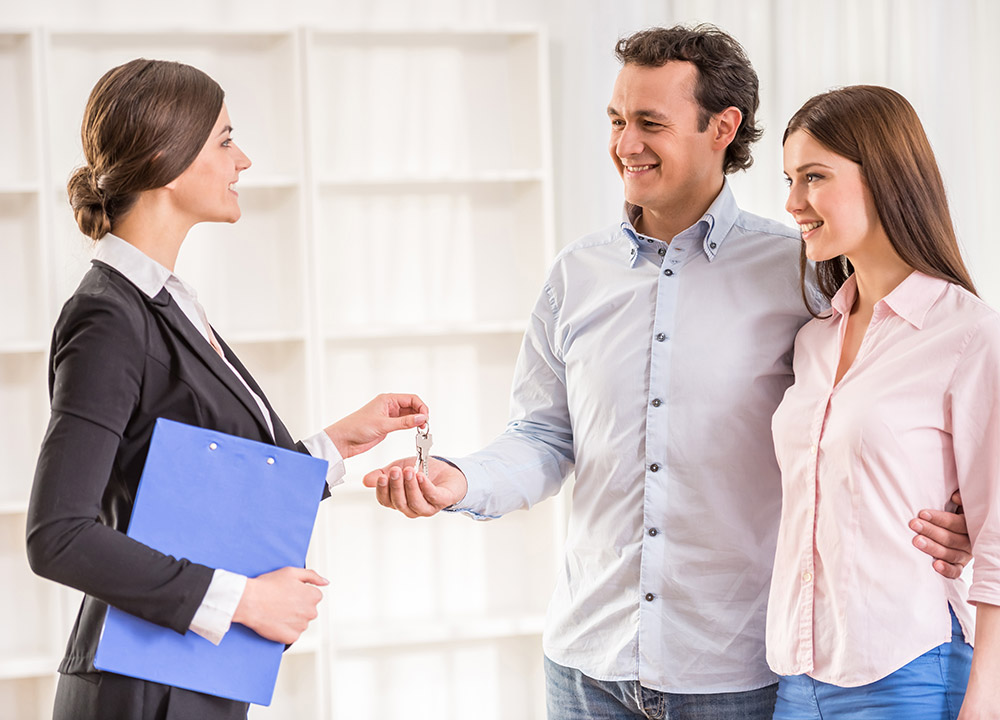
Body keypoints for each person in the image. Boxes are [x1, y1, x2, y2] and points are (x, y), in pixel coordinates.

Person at [363, 26, 970, 720]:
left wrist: (952, 516)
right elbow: (542, 437)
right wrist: (460, 480)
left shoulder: (803, 274)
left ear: (723, 128)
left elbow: (880, 402)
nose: (626, 144)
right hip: (587, 667)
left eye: (651, 123)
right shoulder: (576, 275)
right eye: (618, 121)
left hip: (735, 672)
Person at [25, 58, 428, 720]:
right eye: (224, 139)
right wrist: (246, 601)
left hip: (186, 677)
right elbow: (59, 534)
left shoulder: (163, 302)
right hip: (143, 690)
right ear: (166, 155)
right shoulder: (110, 316)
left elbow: (199, 486)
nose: (243, 159)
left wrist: (337, 444)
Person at [768, 85, 1000, 719]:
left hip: (907, 673)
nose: (793, 203)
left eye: (814, 178)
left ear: (886, 178)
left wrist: (987, 699)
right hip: (798, 677)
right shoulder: (814, 340)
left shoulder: (968, 334)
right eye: (789, 179)